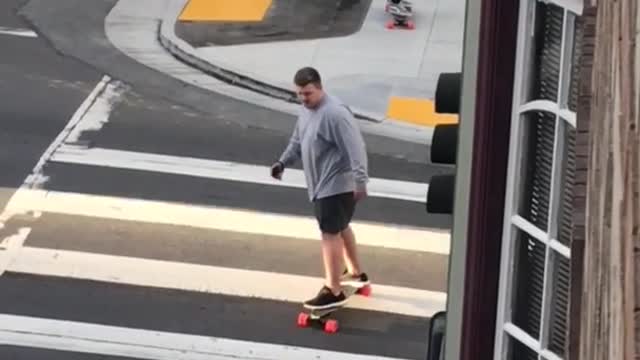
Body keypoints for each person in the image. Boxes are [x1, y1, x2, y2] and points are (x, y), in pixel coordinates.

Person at [270, 67, 370, 310]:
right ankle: (356, 273)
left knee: (329, 234)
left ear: (320, 87)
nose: (304, 99)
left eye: (308, 93)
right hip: (322, 184)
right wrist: (283, 162)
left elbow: (355, 147)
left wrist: (360, 181)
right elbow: (297, 140)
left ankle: (333, 290)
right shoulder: (306, 111)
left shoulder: (334, 114)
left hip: (335, 184)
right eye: (300, 94)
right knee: (341, 226)